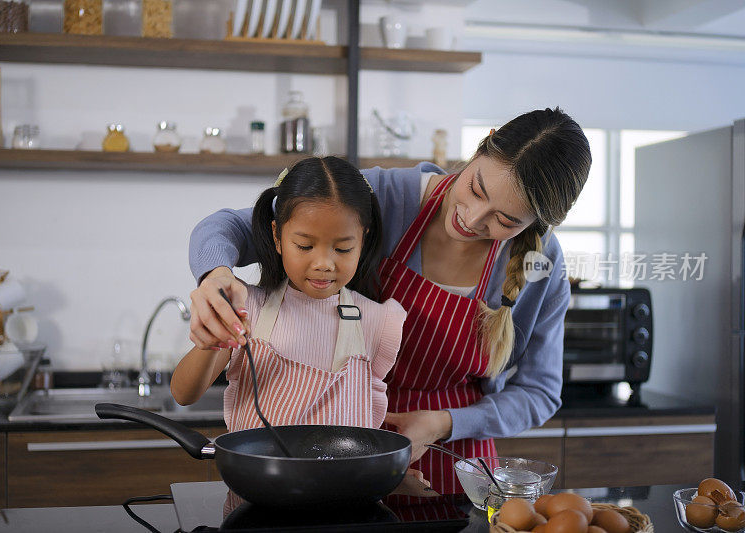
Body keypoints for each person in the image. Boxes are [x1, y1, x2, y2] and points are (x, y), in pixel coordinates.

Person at [186, 108, 592, 496]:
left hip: (457, 463)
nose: (472, 218)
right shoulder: (385, 195)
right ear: (483, 145)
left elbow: (539, 392)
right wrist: (216, 274)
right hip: (351, 450)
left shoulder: (543, 268)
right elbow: (226, 226)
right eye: (475, 188)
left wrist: (443, 423)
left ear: (539, 223)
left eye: (504, 221)